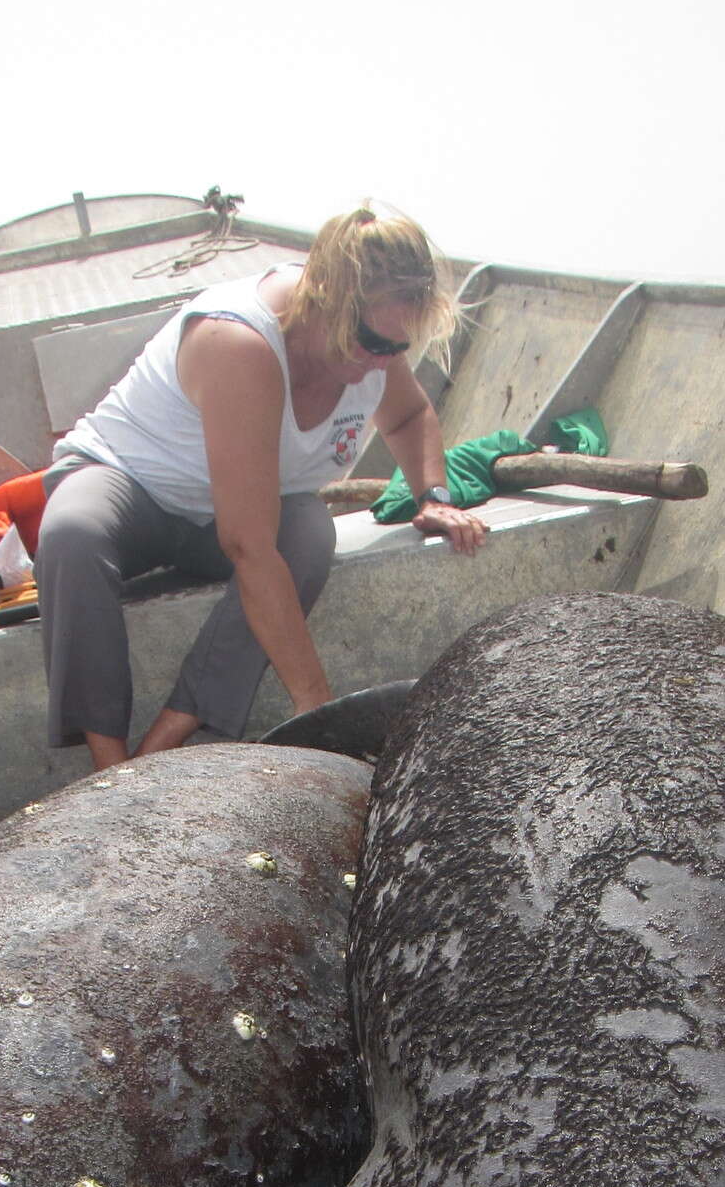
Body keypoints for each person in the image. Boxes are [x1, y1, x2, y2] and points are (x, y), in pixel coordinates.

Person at [36, 204, 489, 772]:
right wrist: (320, 710)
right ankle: (109, 772)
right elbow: (248, 545)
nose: (381, 361)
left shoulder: (375, 347)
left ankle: (167, 738)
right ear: (323, 298)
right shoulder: (240, 340)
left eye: (395, 349)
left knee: (307, 528)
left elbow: (408, 416)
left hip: (220, 520)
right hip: (129, 486)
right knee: (71, 532)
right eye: (372, 341)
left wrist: (433, 498)